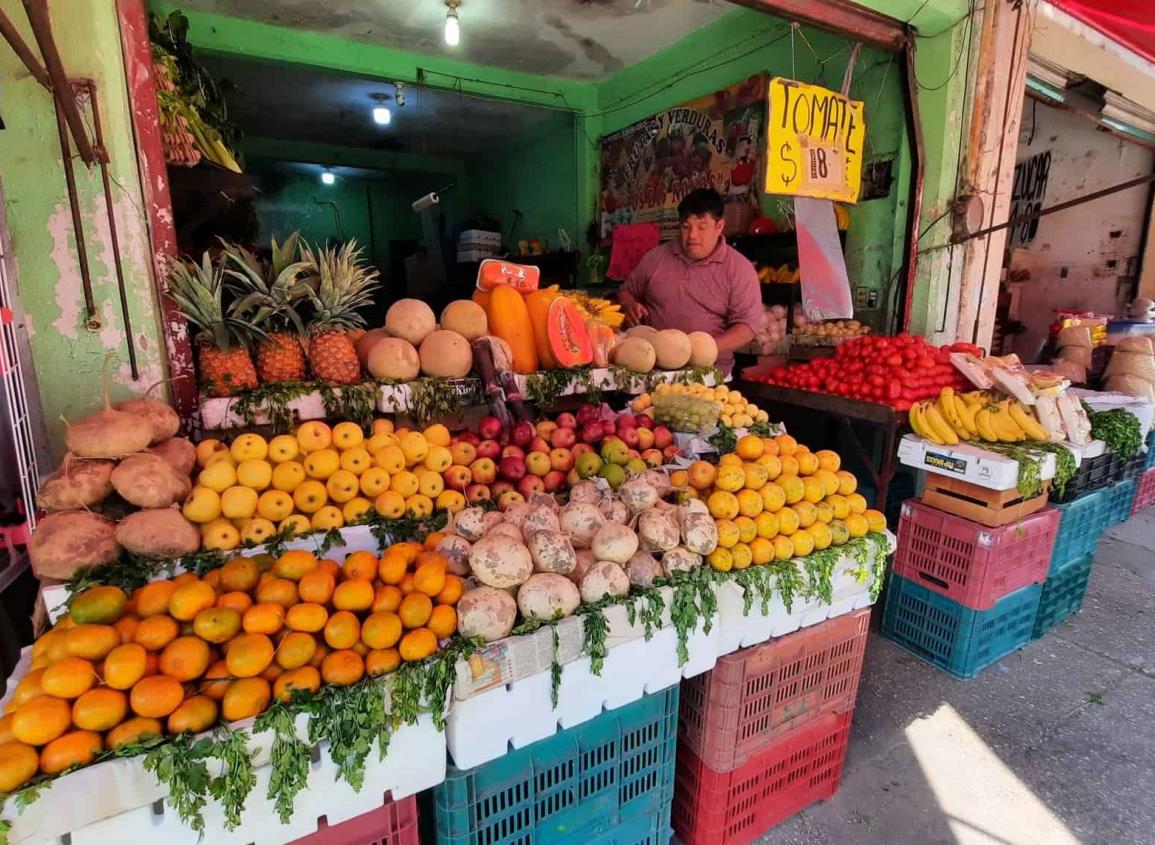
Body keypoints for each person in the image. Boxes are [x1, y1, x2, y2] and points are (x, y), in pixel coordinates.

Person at [618, 188, 761, 376]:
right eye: (686, 227)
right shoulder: (656, 257)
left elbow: (747, 327)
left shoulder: (739, 269)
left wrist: (703, 349)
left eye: (701, 227)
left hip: (709, 375)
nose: (692, 235)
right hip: (653, 372)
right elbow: (626, 291)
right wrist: (629, 305)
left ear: (719, 226)